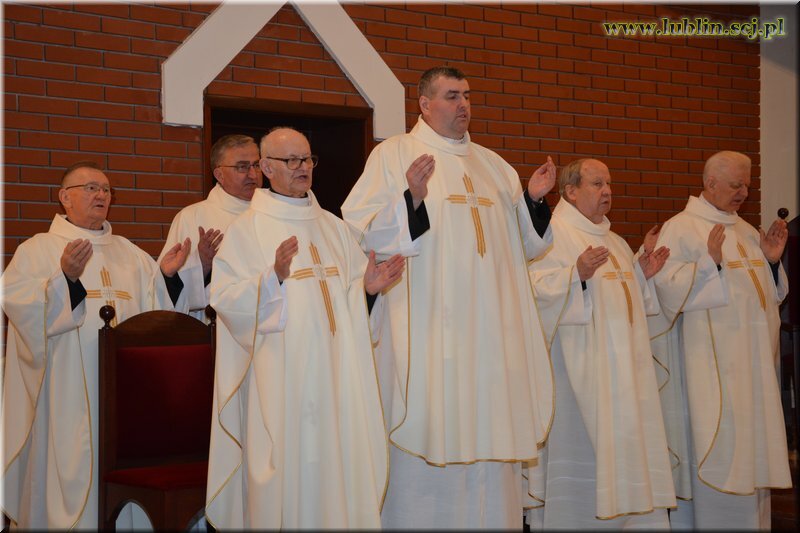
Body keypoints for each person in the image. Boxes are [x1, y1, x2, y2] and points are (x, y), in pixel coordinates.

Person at [341, 66, 557, 528]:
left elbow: (526, 246)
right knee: (430, 425)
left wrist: (534, 201)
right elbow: (360, 229)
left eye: (467, 95)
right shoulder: (394, 155)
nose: (464, 105)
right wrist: (412, 199)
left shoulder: (494, 165)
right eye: (452, 96)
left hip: (490, 336)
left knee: (490, 427)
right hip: (430, 329)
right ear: (424, 104)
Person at [205, 127, 404, 528]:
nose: (303, 167)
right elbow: (225, 299)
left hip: (338, 376)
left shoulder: (334, 227)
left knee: (338, 462)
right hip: (284, 378)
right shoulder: (248, 229)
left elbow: (350, 302)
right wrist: (273, 278)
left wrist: (367, 290)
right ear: (266, 168)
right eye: (291, 160)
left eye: (308, 159)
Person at [1, 162, 190, 529]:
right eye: (90, 188)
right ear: (64, 197)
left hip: (124, 394)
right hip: (67, 389)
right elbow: (20, 307)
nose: (101, 195)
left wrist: (166, 277)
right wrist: (66, 280)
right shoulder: (37, 250)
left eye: (106, 189)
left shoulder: (130, 253)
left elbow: (157, 315)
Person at [525, 158, 676, 529]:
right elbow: (533, 293)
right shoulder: (551, 235)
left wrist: (641, 275)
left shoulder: (616, 242)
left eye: (608, 184)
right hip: (580, 378)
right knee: (586, 468)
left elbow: (623, 304)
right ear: (571, 191)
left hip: (625, 378)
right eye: (597, 184)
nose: (607, 191)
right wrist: (575, 275)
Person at [648, 150, 791, 529]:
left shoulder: (745, 231)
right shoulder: (681, 228)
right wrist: (708, 264)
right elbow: (663, 289)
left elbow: (764, 299)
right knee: (719, 454)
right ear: (710, 183)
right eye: (735, 185)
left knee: (752, 461)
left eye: (747, 185)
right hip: (711, 375)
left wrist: (771, 262)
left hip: (754, 372)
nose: (743, 192)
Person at [158, 134, 262, 322]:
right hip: (217, 327)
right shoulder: (193, 217)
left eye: (256, 165)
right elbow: (166, 289)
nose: (253, 174)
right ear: (219, 174)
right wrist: (202, 263)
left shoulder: (273, 213)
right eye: (242, 167)